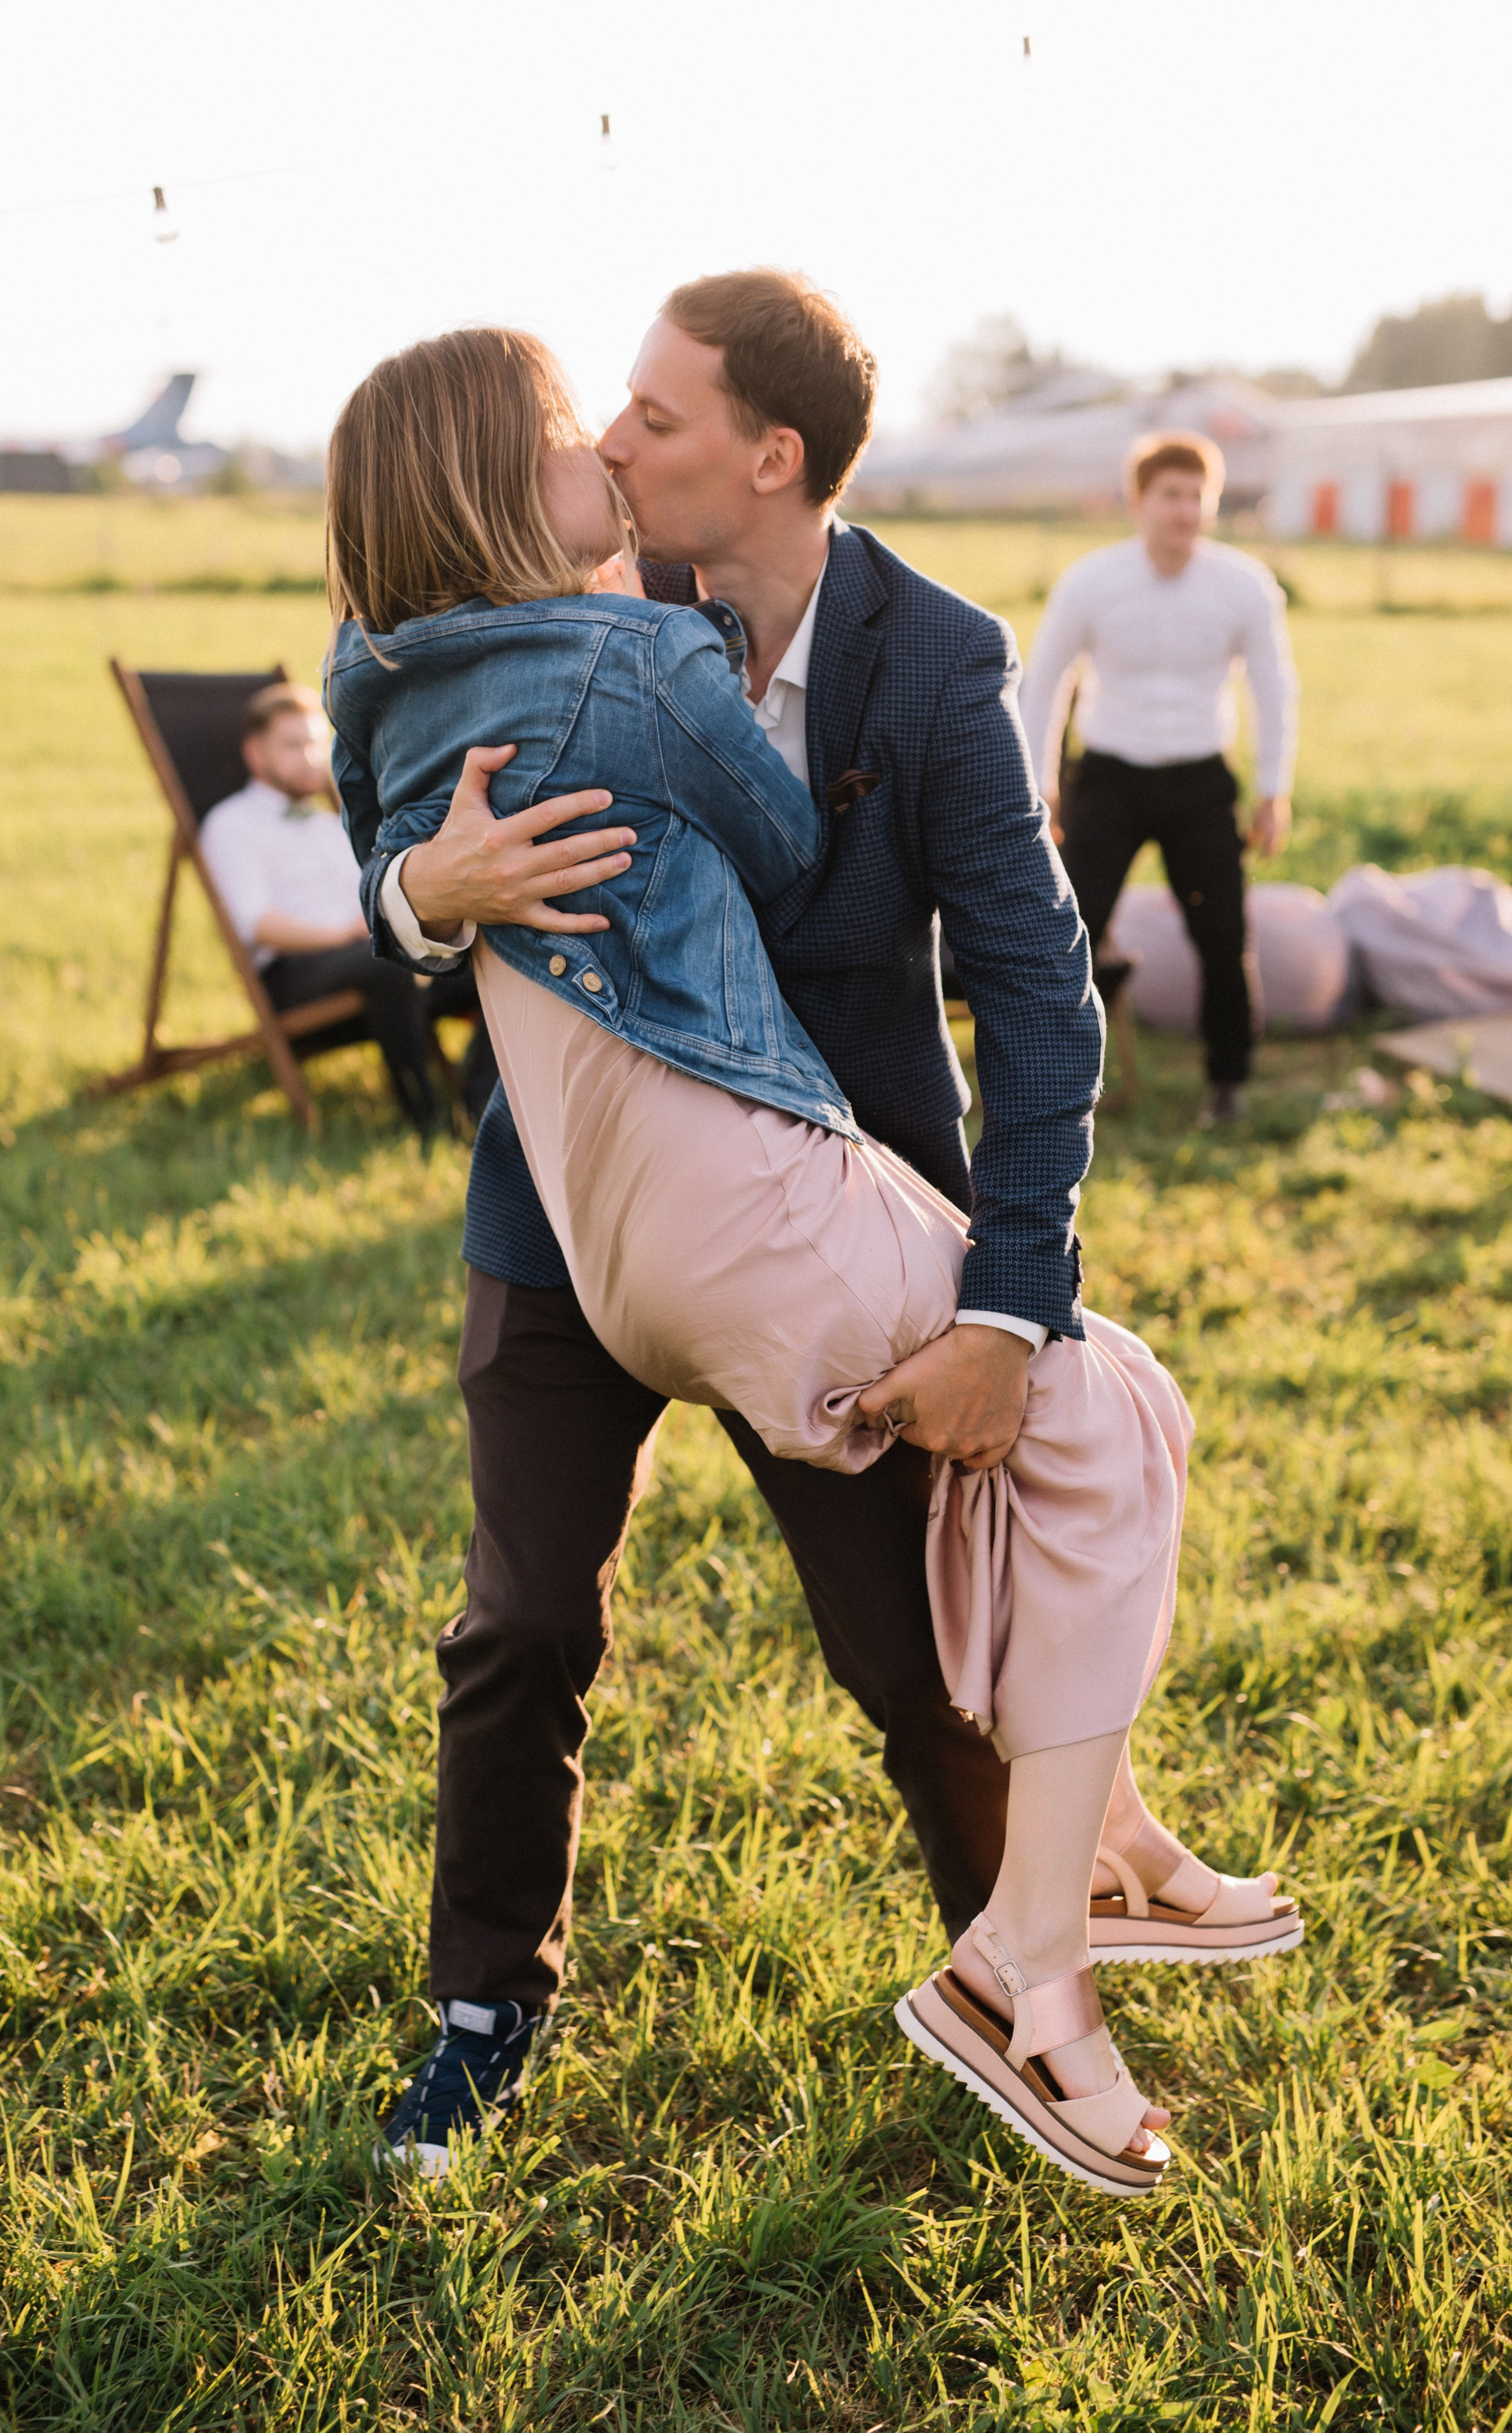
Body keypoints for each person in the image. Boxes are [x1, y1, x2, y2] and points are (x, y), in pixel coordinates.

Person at [338, 290, 1299, 2184]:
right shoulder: (491, 606)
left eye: (651, 412)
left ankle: (1016, 1965)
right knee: (519, 1615)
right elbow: (386, 801)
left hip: (832, 1193)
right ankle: (481, 2004)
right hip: (563, 1212)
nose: (612, 441)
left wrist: (1010, 1304)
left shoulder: (928, 660)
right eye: (599, 409)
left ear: (763, 459)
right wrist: (415, 891)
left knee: (909, 1640)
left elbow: (1037, 994)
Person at [1019, 433, 1300, 1125]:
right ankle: (1052, 1085)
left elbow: (1273, 689)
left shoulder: (1242, 584)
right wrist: (1040, 783)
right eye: (1169, 495)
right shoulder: (1092, 580)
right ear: (1138, 501)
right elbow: (1044, 683)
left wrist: (1273, 790)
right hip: (1110, 780)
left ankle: (1227, 1084)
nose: (1183, 510)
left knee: (1222, 933)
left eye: (1195, 496)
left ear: (1212, 504)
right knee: (1068, 933)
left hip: (1201, 782)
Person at [200, 682, 494, 1134]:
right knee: (387, 965)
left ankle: (480, 1110)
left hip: (368, 954)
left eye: (318, 742)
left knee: (487, 951)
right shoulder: (231, 824)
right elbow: (256, 924)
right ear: (255, 755)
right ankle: (428, 1122)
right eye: (294, 745)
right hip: (296, 973)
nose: (312, 757)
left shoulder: (329, 821)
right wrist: (347, 933)